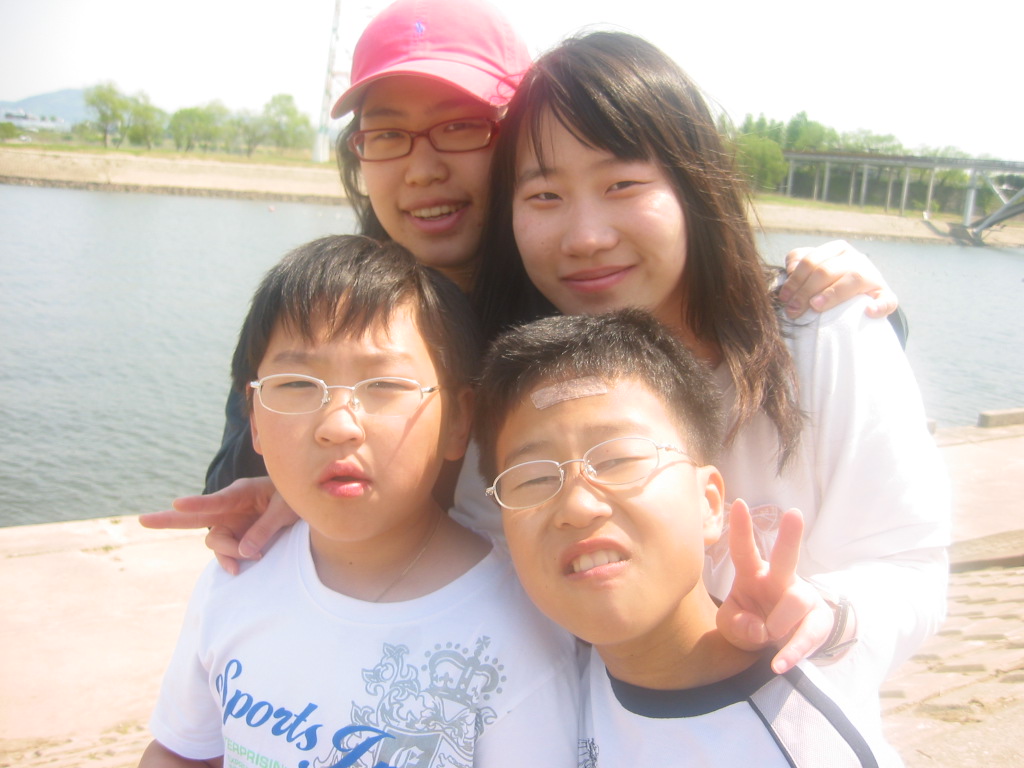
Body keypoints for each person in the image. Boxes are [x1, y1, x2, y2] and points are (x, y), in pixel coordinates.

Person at [193, 0, 901, 506]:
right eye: (387, 135)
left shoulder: (579, 295)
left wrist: (850, 301)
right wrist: (286, 490)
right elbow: (236, 482)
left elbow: (743, 327)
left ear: (523, 140)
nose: (423, 169)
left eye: (461, 126)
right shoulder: (322, 311)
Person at [468, 30, 949, 721]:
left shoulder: (825, 335)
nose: (587, 236)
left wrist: (826, 614)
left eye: (622, 185)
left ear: (693, 186)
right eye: (544, 196)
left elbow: (909, 565)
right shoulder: (518, 392)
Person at [139, 235, 579, 767]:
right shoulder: (236, 577)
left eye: (384, 384)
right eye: (297, 384)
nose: (338, 425)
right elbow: (182, 751)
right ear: (253, 418)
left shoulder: (519, 637)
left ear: (459, 420)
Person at [474, 309, 902, 767]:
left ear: (710, 503)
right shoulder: (542, 694)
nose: (578, 505)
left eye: (618, 459)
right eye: (534, 479)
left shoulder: (804, 748)